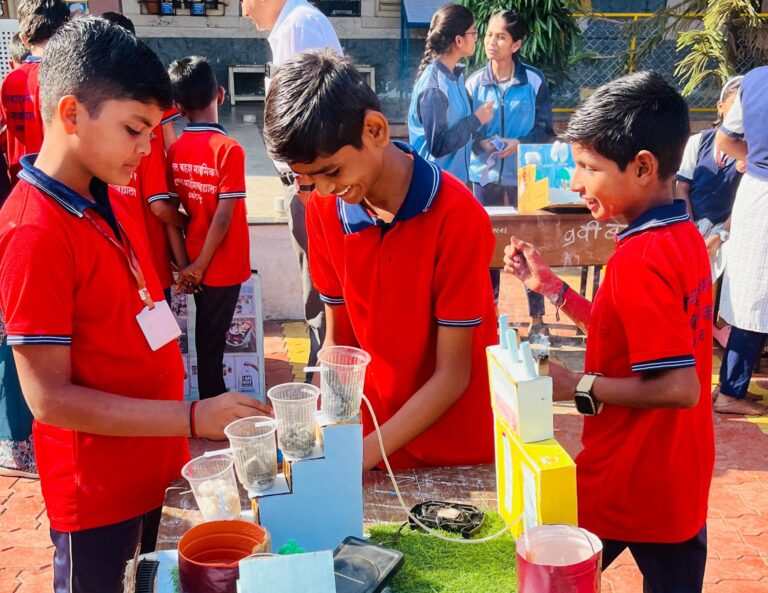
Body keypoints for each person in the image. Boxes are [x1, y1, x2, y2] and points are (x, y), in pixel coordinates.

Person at [0, 18, 268, 593]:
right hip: (97, 495)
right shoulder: (34, 230)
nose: (146, 148)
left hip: (150, 468)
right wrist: (193, 417)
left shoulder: (101, 193)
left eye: (152, 131)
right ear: (71, 114)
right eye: (133, 129)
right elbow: (48, 397)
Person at [504, 71, 714, 592]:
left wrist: (575, 385)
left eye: (588, 167)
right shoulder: (682, 235)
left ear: (642, 167)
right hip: (678, 478)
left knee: (552, 580)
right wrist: (553, 288)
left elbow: (679, 386)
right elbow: (624, 330)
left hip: (628, 479)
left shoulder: (639, 259)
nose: (575, 183)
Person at [265, 50, 496, 470]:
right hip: (374, 434)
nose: (322, 189)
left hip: (454, 449)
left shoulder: (457, 217)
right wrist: (325, 434)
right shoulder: (323, 210)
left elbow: (453, 375)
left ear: (375, 130)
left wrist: (356, 459)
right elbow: (339, 341)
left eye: (331, 171)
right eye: (306, 177)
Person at [240, 0, 342, 381]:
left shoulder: (299, 27)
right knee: (316, 288)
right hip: (306, 184)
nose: (243, 11)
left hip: (311, 187)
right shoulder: (293, 26)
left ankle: (326, 377)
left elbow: (308, 121)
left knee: (321, 290)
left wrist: (306, 183)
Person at [168, 56, 251, 400]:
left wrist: (185, 265)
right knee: (211, 345)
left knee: (207, 338)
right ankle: (213, 407)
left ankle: (211, 401)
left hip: (194, 261)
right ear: (220, 94)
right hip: (222, 264)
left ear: (179, 108)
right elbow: (223, 216)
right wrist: (200, 266)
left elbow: (169, 212)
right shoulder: (229, 149)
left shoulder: (175, 149)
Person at [466, 9, 554, 330]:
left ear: (516, 44)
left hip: (525, 176)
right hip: (484, 176)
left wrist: (519, 143)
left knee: (529, 246)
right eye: (489, 35)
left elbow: (545, 129)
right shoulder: (473, 83)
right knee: (488, 245)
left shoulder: (534, 80)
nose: (491, 42)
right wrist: (482, 144)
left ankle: (537, 320)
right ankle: (489, 316)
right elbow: (466, 133)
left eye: (501, 37)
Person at [714, 66, 768, 417]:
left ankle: (730, 386)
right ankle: (731, 391)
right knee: (757, 298)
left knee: (752, 295)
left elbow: (725, 140)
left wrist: (756, 156)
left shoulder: (754, 80)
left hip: (755, 193)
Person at [676, 76, 744, 351]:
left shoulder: (752, 151)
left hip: (730, 227)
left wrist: (721, 234)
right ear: (720, 107)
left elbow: (745, 201)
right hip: (692, 222)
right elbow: (682, 187)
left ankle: (719, 325)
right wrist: (689, 226)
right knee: (684, 260)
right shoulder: (699, 142)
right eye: (735, 105)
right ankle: (692, 324)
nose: (741, 114)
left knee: (728, 259)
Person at [408, 3, 494, 185]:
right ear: (459, 40)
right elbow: (438, 146)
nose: (476, 38)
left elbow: (458, 127)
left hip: (456, 183)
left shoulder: (456, 76)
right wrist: (477, 119)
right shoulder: (434, 89)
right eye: (474, 33)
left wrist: (479, 144)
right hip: (435, 187)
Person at [0, 0, 68, 184]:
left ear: (24, 39)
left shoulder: (10, 79)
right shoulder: (65, 77)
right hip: (57, 183)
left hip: (20, 179)